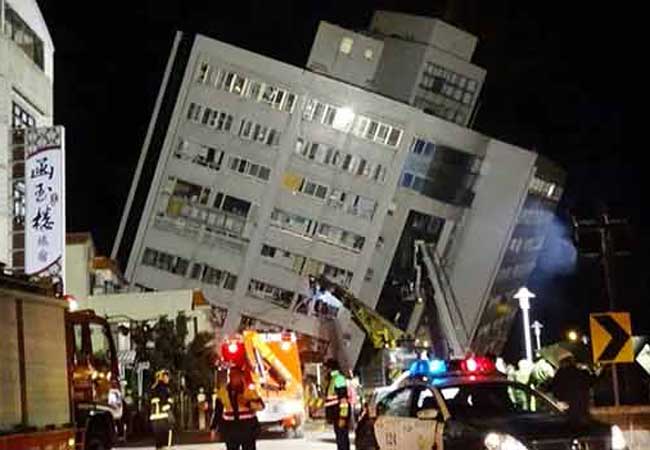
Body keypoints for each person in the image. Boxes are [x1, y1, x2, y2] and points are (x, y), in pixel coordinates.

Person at [214, 365, 265, 450]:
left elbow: (261, 406)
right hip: (231, 429)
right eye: (231, 376)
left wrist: (247, 403)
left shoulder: (249, 391)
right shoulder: (223, 392)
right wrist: (214, 427)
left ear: (241, 376)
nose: (232, 378)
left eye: (235, 375)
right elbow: (218, 411)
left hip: (248, 428)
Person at [549, 353, 594, 420]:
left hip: (567, 406)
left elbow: (555, 390)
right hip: (581, 404)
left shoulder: (559, 374)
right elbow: (590, 383)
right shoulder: (581, 373)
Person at [324, 359, 351, 450]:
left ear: (330, 368)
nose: (325, 370)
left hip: (340, 414)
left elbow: (343, 399)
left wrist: (343, 416)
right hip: (336, 414)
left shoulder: (338, 378)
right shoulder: (332, 379)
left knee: (342, 439)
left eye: (326, 368)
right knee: (340, 439)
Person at [149, 369, 174, 449]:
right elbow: (167, 402)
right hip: (163, 416)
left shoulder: (153, 388)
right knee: (166, 440)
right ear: (163, 377)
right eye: (167, 377)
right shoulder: (165, 389)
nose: (168, 379)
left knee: (158, 440)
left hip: (154, 416)